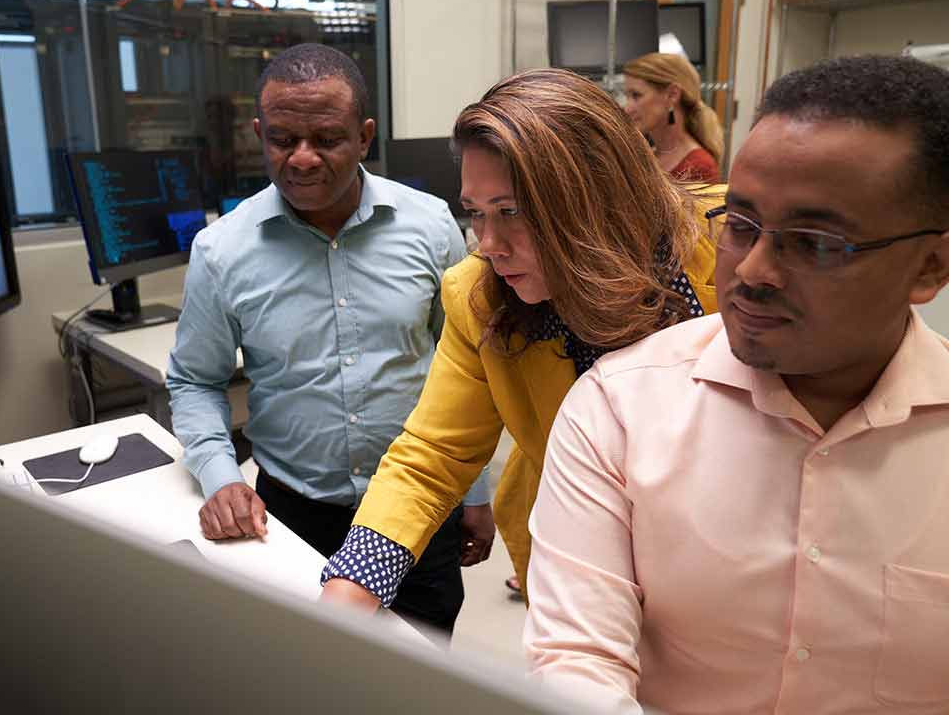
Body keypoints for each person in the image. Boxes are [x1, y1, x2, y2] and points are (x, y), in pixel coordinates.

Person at [525, 54, 949, 714]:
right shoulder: (621, 410)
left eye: (814, 243)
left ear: (931, 266)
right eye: (742, 225)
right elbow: (577, 664)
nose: (751, 271)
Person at [320, 67, 723, 614]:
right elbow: (432, 455)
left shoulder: (732, 243)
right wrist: (348, 592)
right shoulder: (479, 298)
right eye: (476, 214)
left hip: (724, 551)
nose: (488, 245)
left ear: (597, 195)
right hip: (586, 559)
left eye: (511, 212)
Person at [166, 43, 491, 636]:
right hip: (292, 512)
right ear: (258, 134)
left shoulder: (431, 225)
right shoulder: (222, 251)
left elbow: (465, 368)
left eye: (327, 139)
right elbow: (194, 380)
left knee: (419, 672)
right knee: (306, 678)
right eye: (283, 139)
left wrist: (476, 489)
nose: (303, 158)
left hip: (420, 505)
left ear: (365, 136)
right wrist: (221, 479)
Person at [622, 52, 723, 183]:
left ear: (672, 95)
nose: (627, 108)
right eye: (627, 96)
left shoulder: (700, 168)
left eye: (636, 95)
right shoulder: (647, 156)